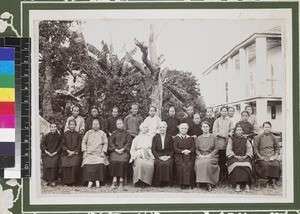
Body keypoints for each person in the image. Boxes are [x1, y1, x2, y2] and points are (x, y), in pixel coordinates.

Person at [81, 119, 109, 188]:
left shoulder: (102, 133)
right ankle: (90, 181)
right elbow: (83, 142)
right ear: (92, 125)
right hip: (89, 154)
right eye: (94, 124)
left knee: (100, 162)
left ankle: (97, 180)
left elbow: (106, 143)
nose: (95, 125)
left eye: (96, 124)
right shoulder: (88, 133)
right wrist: (84, 151)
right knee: (86, 162)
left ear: (99, 125)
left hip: (99, 153)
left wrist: (103, 152)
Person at [253, 121, 281, 187]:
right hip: (261, 157)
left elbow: (277, 148)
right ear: (263, 128)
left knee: (276, 165)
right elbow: (255, 149)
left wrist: (275, 156)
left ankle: (271, 181)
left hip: (271, 156)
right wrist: (260, 157)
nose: (267, 128)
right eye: (266, 127)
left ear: (271, 128)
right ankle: (269, 181)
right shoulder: (259, 137)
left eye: (268, 127)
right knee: (265, 165)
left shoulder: (273, 137)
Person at [226, 125, 253, 192]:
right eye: (237, 130)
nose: (239, 131)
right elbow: (229, 149)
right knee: (237, 166)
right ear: (235, 131)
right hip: (234, 157)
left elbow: (249, 149)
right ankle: (237, 184)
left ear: (242, 131)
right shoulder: (231, 139)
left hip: (244, 157)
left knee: (247, 165)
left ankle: (246, 184)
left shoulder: (246, 140)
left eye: (240, 130)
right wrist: (235, 156)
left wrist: (246, 156)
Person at [194, 121, 219, 191]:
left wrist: (210, 155)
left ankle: (209, 183)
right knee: (198, 163)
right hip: (201, 156)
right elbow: (196, 149)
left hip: (212, 156)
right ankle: (200, 181)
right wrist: (200, 155)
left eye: (206, 127)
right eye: (203, 127)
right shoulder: (198, 138)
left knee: (207, 163)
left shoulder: (214, 137)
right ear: (201, 128)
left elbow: (217, 148)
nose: (205, 128)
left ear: (209, 128)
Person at [212, 106, 234, 182]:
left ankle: (227, 175)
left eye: (225, 111)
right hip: (220, 142)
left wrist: (229, 134)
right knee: (221, 160)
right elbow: (214, 131)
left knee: (227, 159)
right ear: (220, 112)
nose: (224, 112)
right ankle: (220, 176)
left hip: (227, 142)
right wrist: (221, 135)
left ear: (227, 112)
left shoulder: (229, 121)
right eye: (222, 111)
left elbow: (232, 129)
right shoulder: (217, 121)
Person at [130, 122, 155, 187]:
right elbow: (132, 150)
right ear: (140, 128)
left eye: (146, 127)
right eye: (143, 127)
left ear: (147, 129)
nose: (144, 128)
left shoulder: (151, 138)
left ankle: (146, 182)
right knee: (140, 163)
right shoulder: (136, 138)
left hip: (148, 155)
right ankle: (139, 181)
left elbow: (153, 148)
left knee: (150, 165)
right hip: (139, 155)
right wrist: (137, 155)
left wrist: (151, 155)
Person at [109, 119, 132, 189]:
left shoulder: (127, 133)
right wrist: (116, 149)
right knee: (113, 161)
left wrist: (123, 149)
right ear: (116, 125)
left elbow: (128, 143)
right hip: (115, 151)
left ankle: (121, 179)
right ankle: (114, 179)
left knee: (122, 161)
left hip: (124, 151)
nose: (119, 125)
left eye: (120, 123)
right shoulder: (114, 133)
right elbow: (111, 142)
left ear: (123, 124)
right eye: (118, 124)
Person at [173, 123, 196, 189]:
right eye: (182, 128)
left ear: (187, 129)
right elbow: (175, 148)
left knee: (189, 165)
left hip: (189, 155)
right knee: (182, 165)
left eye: (185, 128)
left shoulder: (190, 138)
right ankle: (182, 183)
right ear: (179, 129)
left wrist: (189, 151)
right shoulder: (176, 138)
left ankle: (190, 183)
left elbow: (193, 147)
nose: (184, 130)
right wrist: (182, 151)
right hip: (179, 156)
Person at [151, 121, 174, 187]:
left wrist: (168, 157)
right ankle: (159, 183)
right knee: (160, 164)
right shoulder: (155, 137)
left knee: (168, 164)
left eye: (163, 127)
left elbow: (172, 149)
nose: (162, 128)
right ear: (158, 128)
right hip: (159, 155)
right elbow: (153, 150)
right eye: (160, 127)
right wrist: (159, 157)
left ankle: (168, 182)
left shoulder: (170, 137)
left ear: (166, 127)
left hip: (168, 155)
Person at [61, 119, 82, 186]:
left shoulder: (78, 135)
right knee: (64, 164)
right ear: (68, 126)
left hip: (75, 154)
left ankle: (74, 182)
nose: (72, 126)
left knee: (74, 165)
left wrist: (73, 152)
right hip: (66, 153)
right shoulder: (65, 134)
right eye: (71, 125)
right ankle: (66, 182)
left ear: (75, 125)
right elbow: (62, 144)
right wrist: (67, 151)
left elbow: (79, 145)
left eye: (73, 124)